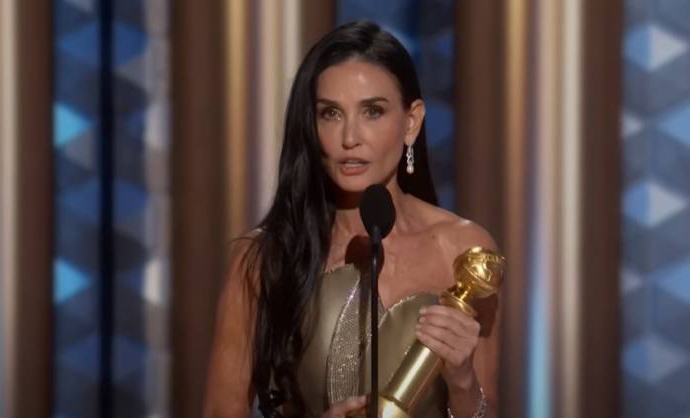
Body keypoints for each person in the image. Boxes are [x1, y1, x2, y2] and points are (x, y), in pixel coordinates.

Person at [203, 20, 501, 418]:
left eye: (372, 111)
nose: (349, 138)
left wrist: (463, 382)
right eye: (330, 113)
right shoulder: (264, 259)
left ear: (411, 121)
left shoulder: (465, 253)